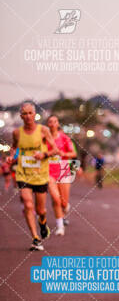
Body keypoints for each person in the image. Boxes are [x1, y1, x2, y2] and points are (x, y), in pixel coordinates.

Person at [9, 102, 59, 250]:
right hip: (23, 174)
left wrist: (44, 154)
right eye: (25, 113)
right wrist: (12, 156)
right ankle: (36, 238)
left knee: (41, 210)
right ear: (21, 116)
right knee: (27, 204)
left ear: (35, 114)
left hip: (40, 174)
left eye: (31, 113)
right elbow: (14, 147)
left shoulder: (43, 130)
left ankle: (43, 223)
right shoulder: (17, 133)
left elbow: (55, 150)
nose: (28, 116)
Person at [46, 115, 77, 235]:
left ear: (58, 123)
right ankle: (60, 227)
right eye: (50, 122)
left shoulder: (64, 138)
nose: (53, 124)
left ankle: (65, 206)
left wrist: (62, 153)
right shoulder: (44, 138)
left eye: (55, 121)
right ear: (48, 124)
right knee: (55, 198)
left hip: (63, 169)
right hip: (49, 171)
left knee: (63, 202)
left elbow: (73, 154)